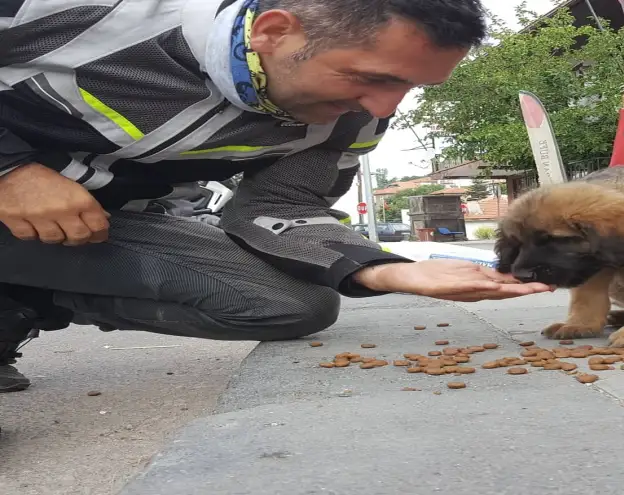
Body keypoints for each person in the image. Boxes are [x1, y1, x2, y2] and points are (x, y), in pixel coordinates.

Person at [0, 0, 552, 393]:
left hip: (80, 225)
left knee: (291, 306)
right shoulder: (85, 13)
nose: (383, 107)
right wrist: (14, 170)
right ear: (274, 31)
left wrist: (385, 271)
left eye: (409, 87)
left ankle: (15, 302)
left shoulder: (350, 117)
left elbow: (284, 207)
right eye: (370, 77)